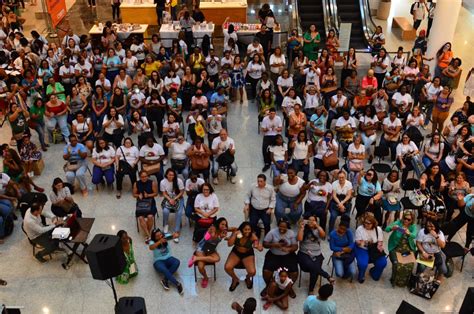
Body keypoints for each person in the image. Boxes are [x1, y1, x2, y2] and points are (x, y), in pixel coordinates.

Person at [297, 216, 335, 295]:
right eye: (309, 220)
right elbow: (299, 239)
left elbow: (323, 235)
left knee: (314, 269)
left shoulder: (317, 230)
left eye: (313, 220)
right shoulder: (304, 229)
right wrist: (301, 228)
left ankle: (311, 289)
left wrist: (317, 226)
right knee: (314, 267)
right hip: (304, 253)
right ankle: (327, 276)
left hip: (317, 254)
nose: (311, 222)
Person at [188, 218, 229, 288]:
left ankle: (196, 258)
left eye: (225, 225)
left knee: (217, 258)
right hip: (201, 248)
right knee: (200, 267)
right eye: (222, 224)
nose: (224, 226)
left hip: (210, 249)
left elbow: (233, 229)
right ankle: (205, 277)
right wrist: (215, 235)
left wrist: (228, 235)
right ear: (218, 223)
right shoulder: (212, 228)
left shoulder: (222, 231)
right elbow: (209, 238)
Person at [261, 219, 298, 297]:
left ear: (287, 227)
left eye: (284, 227)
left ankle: (289, 287)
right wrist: (274, 245)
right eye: (280, 226)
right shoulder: (272, 232)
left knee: (294, 273)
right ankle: (268, 286)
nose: (282, 228)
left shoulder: (291, 233)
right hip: (273, 255)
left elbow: (295, 246)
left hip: (288, 255)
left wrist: (288, 249)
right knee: (266, 271)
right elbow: (264, 244)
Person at [225, 221, 263, 291]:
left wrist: (258, 247)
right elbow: (229, 244)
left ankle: (247, 278)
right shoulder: (237, 234)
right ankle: (235, 279)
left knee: (252, 272)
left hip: (247, 254)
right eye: (245, 229)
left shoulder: (253, 236)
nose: (247, 231)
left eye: (249, 229)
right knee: (227, 267)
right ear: (242, 229)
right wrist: (234, 234)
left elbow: (258, 246)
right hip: (236, 252)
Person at [385, 211, 417, 287]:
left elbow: (414, 235)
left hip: (407, 249)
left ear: (412, 220)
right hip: (396, 247)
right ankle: (393, 280)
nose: (406, 221)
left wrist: (409, 233)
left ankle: (404, 281)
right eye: (405, 218)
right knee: (397, 263)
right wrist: (392, 228)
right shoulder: (398, 223)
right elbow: (387, 229)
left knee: (409, 264)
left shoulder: (413, 226)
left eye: (409, 220)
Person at [149, 228, 184, 294]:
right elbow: (151, 247)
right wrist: (159, 241)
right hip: (158, 261)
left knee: (177, 262)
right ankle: (177, 284)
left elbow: (175, 235)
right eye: (157, 236)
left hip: (168, 258)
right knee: (165, 270)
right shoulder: (152, 241)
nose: (160, 236)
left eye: (160, 235)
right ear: (154, 237)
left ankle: (165, 279)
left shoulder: (165, 236)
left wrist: (176, 235)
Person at [355, 213, 387, 283]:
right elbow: (358, 242)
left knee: (383, 262)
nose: (366, 225)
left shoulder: (378, 229)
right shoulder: (360, 229)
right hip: (362, 248)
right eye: (365, 223)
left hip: (374, 248)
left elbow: (380, 240)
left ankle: (373, 272)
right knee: (362, 264)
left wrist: (379, 246)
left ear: (373, 223)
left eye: (369, 223)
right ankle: (361, 275)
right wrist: (367, 242)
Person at [133, 170, 158, 243]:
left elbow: (156, 193)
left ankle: (147, 234)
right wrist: (138, 195)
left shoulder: (152, 183)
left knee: (150, 217)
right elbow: (134, 194)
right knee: (141, 218)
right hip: (141, 203)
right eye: (142, 177)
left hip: (150, 202)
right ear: (140, 177)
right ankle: (149, 235)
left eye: (145, 176)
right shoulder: (136, 183)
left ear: (148, 176)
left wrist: (148, 195)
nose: (144, 178)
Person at [160, 168, 184, 242]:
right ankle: (165, 225)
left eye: (173, 175)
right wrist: (170, 199)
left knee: (179, 213)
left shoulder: (179, 181)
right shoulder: (163, 182)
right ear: (166, 175)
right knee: (165, 211)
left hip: (178, 198)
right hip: (168, 198)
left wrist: (175, 199)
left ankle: (176, 231)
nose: (171, 176)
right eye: (170, 175)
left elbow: (182, 192)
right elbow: (164, 193)